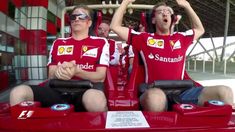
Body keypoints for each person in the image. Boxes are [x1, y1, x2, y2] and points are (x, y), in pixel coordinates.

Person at [110, 0, 234, 112]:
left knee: (224, 91)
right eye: (160, 12)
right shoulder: (144, 38)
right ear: (153, 20)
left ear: (172, 18)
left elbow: (200, 29)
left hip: (184, 92)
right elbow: (115, 27)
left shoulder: (181, 38)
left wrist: (187, 6)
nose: (165, 14)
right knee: (155, 99)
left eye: (168, 12)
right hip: (155, 91)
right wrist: (125, 3)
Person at [10, 5, 109, 112]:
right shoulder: (58, 42)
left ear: (89, 23)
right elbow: (51, 73)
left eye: (82, 17)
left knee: (95, 101)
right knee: (18, 92)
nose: (76, 19)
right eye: (73, 17)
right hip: (56, 89)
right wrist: (59, 71)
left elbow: (100, 76)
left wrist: (77, 71)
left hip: (87, 89)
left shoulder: (101, 42)